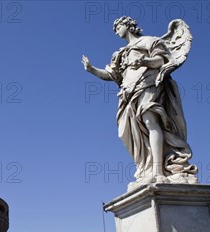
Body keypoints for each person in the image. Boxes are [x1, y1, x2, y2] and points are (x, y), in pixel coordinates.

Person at [81, 16, 197, 185]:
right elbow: (112, 76)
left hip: (147, 83)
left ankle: (158, 172)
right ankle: (147, 168)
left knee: (150, 121)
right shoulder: (119, 54)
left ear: (128, 25)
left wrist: (144, 61)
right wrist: (91, 69)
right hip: (128, 92)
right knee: (128, 131)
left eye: (118, 26)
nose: (116, 30)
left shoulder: (149, 41)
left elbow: (162, 60)